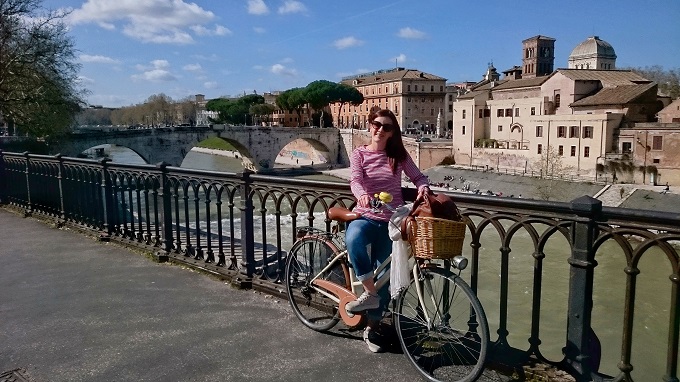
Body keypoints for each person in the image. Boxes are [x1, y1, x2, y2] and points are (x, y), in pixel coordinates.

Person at [344, 109, 430, 352]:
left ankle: (372, 328)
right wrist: (361, 196)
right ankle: (368, 293)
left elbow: (418, 176)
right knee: (354, 237)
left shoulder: (398, 155)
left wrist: (423, 188)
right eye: (376, 124)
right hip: (366, 216)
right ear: (370, 126)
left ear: (393, 132)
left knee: (387, 277)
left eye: (387, 127)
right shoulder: (359, 153)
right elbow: (355, 180)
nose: (380, 129)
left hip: (391, 222)